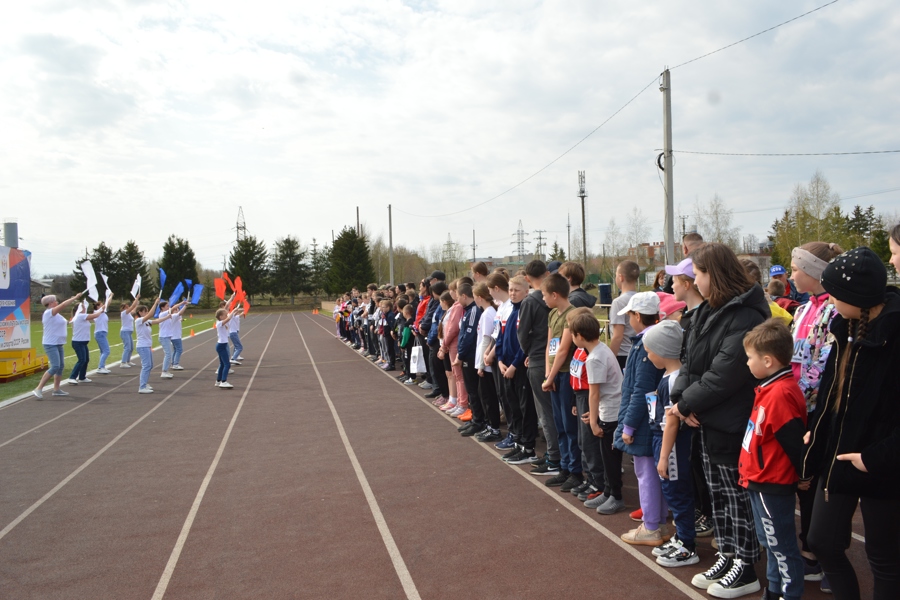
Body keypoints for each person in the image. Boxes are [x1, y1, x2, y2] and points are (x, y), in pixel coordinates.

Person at [670, 243, 769, 598]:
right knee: (718, 494)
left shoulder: (744, 316)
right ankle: (727, 554)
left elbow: (726, 373)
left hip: (731, 419)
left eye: (698, 274)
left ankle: (745, 565)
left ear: (715, 274)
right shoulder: (708, 311)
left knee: (734, 496)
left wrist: (685, 406)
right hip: (708, 418)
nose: (694, 280)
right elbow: (688, 361)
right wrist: (681, 399)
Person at [804, 247, 900, 600]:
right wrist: (818, 428)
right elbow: (832, 389)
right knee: (821, 541)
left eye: (835, 295)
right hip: (840, 453)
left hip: (882, 464)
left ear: (857, 298)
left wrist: (874, 458)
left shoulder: (894, 333)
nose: (829, 301)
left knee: (885, 558)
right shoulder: (843, 325)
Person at [787, 241, 843, 587]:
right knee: (801, 481)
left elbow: (821, 367)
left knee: (814, 483)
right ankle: (810, 549)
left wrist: (799, 400)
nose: (791, 274)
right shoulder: (803, 308)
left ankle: (818, 555)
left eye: (795, 268)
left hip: (815, 411)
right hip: (797, 408)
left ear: (812, 272)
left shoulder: (832, 311)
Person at [739, 319, 806, 600]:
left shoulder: (779, 393)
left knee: (782, 546)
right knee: (771, 543)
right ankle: (774, 591)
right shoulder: (769, 387)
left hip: (771, 481)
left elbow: (793, 441)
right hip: (758, 479)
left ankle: (789, 595)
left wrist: (803, 474)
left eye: (750, 358)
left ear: (767, 361)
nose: (746, 363)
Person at [665, 256, 714, 539]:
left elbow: (702, 365)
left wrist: (689, 402)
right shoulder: (688, 317)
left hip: (699, 403)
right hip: (687, 400)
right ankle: (700, 507)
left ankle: (708, 512)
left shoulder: (703, 316)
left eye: (675, 280)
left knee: (703, 464)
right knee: (694, 460)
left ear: (687, 283)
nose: (671, 284)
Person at [614, 292, 667, 547]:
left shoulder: (645, 345)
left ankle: (651, 526)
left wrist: (628, 425)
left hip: (646, 421)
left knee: (646, 474)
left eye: (630, 317)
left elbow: (641, 389)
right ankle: (659, 521)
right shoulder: (654, 340)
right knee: (656, 474)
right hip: (654, 418)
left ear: (637, 316)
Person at [645, 319, 698, 567]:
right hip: (666, 441)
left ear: (663, 352)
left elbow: (672, 422)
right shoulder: (671, 375)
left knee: (676, 492)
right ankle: (682, 538)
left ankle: (688, 545)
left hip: (671, 445)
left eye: (650, 350)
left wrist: (664, 456)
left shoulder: (673, 380)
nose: (647, 355)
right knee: (674, 491)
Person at [570, 310, 624, 514]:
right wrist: (593, 415)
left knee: (609, 458)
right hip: (608, 409)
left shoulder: (594, 359)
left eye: (573, 334)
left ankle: (616, 496)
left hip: (610, 413)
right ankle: (609, 491)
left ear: (580, 336)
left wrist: (594, 421)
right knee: (607, 455)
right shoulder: (602, 349)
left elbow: (594, 393)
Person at [518, 260, 560, 476]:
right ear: (546, 273)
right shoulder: (554, 300)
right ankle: (556, 454)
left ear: (527, 278)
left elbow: (522, 334)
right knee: (552, 411)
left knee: (546, 412)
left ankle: (555, 457)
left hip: (538, 358)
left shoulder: (530, 302)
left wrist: (529, 351)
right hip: (553, 357)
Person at [541, 273, 583, 490]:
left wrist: (553, 375)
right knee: (560, 424)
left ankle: (576, 471)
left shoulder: (571, 314)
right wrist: (549, 375)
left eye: (544, 295)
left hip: (567, 374)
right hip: (555, 375)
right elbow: (550, 345)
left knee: (569, 424)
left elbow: (565, 348)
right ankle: (564, 467)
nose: (543, 299)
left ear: (555, 295)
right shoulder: (552, 314)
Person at [566, 307, 605, 501]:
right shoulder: (580, 351)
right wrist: (574, 400)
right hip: (580, 396)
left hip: (589, 396)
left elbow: (594, 386)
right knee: (583, 440)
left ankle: (598, 480)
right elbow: (576, 377)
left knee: (589, 441)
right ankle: (588, 476)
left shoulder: (591, 355)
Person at [497, 276, 537, 464]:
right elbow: (501, 337)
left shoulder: (524, 311)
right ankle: (519, 443)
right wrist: (499, 360)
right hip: (506, 366)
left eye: (517, 290)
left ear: (526, 292)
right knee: (513, 408)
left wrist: (514, 365)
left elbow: (524, 344)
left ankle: (528, 447)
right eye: (511, 290)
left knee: (525, 408)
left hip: (518, 368)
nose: (513, 293)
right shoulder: (510, 311)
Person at [485, 273, 516, 451]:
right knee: (502, 395)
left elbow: (503, 337)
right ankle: (513, 433)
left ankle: (514, 434)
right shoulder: (502, 307)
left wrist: (493, 353)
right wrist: (489, 351)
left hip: (504, 358)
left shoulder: (510, 307)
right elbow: (496, 334)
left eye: (490, 290)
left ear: (496, 288)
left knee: (509, 398)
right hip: (498, 357)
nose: (490, 294)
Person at [33, 293, 83, 399]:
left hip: (58, 343)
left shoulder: (57, 314)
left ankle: (56, 389)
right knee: (55, 366)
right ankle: (39, 388)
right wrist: (74, 297)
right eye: (55, 301)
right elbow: (64, 305)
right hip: (50, 343)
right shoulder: (49, 313)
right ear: (51, 303)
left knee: (60, 367)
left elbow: (66, 322)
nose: (57, 302)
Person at [471, 282, 502, 443]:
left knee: (488, 397)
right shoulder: (487, 313)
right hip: (483, 360)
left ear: (480, 297)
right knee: (485, 396)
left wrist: (481, 365)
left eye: (475, 297)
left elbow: (487, 340)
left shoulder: (488, 314)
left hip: (486, 362)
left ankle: (494, 428)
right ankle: (490, 426)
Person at [454, 284, 484, 432]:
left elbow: (469, 336)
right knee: (471, 389)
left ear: (464, 296)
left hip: (471, 357)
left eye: (459, 297)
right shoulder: (467, 311)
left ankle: (479, 421)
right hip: (467, 356)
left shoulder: (473, 311)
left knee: (473, 390)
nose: (458, 300)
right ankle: (474, 418)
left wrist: (460, 355)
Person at [133, 298, 172, 394]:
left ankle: (145, 383)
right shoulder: (139, 321)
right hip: (142, 346)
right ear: (140, 312)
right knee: (146, 366)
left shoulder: (146, 322)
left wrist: (167, 317)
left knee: (150, 365)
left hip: (146, 346)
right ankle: (142, 386)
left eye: (146, 311)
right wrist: (155, 303)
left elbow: (157, 321)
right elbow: (151, 314)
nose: (146, 313)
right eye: (144, 311)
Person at [742, 259, 793, 326]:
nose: (778, 279)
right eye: (775, 277)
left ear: (786, 275)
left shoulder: (796, 287)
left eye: (780, 276)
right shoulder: (766, 296)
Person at [609, 260, 640, 370]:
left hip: (622, 354)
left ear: (621, 277)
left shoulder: (619, 302)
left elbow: (617, 336)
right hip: (639, 351)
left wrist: (610, 360)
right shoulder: (641, 299)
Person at [66, 301, 105, 384]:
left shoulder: (81, 316)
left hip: (83, 342)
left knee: (86, 359)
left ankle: (82, 377)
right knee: (81, 360)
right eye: (83, 307)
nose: (85, 308)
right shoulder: (80, 316)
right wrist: (101, 309)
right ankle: (72, 377)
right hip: (78, 342)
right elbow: (95, 315)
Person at [214, 304, 242, 389]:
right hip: (221, 346)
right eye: (225, 315)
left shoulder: (223, 322)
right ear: (221, 316)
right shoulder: (219, 323)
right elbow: (229, 318)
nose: (227, 315)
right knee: (227, 364)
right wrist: (233, 311)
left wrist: (235, 310)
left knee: (222, 364)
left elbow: (230, 317)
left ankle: (218, 381)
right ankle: (224, 381)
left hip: (222, 345)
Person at [119, 295, 140, 368]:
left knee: (131, 347)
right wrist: (137, 298)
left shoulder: (128, 314)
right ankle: (123, 362)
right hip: (125, 332)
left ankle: (128, 361)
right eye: (127, 306)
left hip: (129, 332)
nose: (128, 307)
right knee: (127, 347)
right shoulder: (124, 313)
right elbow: (132, 307)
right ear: (124, 308)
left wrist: (136, 305)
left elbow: (133, 310)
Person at [93, 297, 113, 374]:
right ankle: (100, 367)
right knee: (106, 351)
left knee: (103, 351)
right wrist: (110, 296)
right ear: (97, 307)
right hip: (100, 333)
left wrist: (111, 296)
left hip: (102, 333)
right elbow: (106, 304)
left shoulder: (103, 312)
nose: (103, 306)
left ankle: (102, 366)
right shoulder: (97, 311)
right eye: (101, 305)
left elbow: (108, 303)